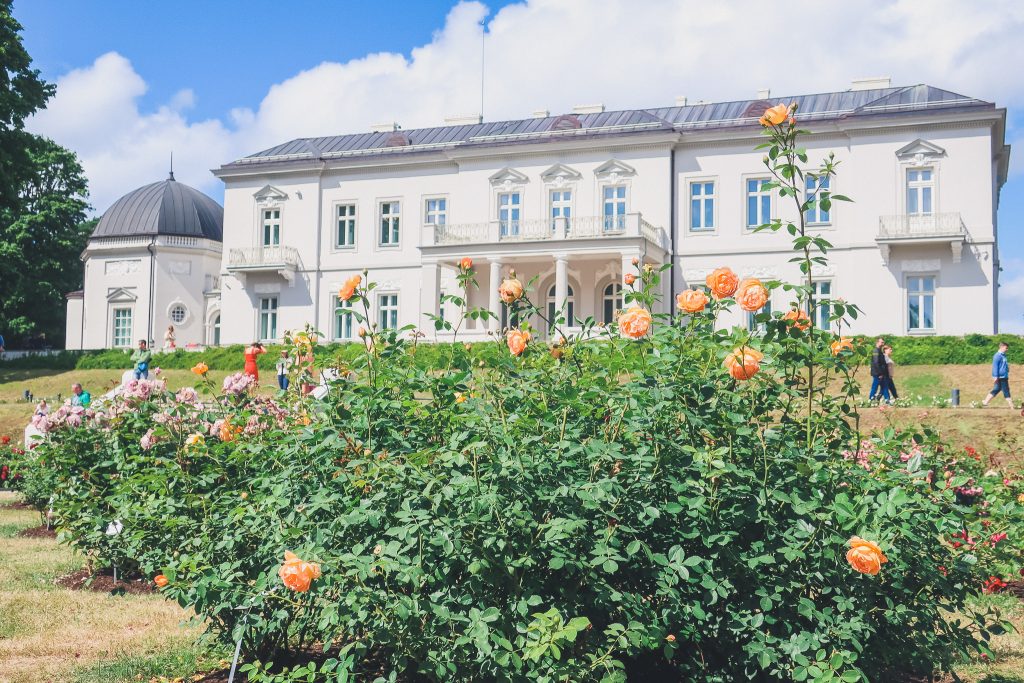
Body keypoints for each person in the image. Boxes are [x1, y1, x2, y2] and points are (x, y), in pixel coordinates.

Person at [983, 341, 1013, 409]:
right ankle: (1011, 406)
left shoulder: (1003, 355)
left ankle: (985, 402)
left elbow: (1003, 365)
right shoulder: (997, 356)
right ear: (1001, 347)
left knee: (997, 389)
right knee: (1006, 390)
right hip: (1000, 377)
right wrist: (995, 376)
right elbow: (995, 367)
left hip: (1004, 376)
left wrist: (1007, 368)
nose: (1007, 349)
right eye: (1006, 348)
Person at [868, 337, 890, 403]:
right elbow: (876, 362)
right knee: (875, 387)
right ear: (877, 342)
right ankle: (870, 399)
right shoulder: (876, 351)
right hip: (877, 373)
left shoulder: (879, 350)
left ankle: (887, 400)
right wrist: (880, 373)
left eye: (883, 342)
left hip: (881, 373)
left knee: (884, 386)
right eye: (881, 342)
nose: (883, 343)